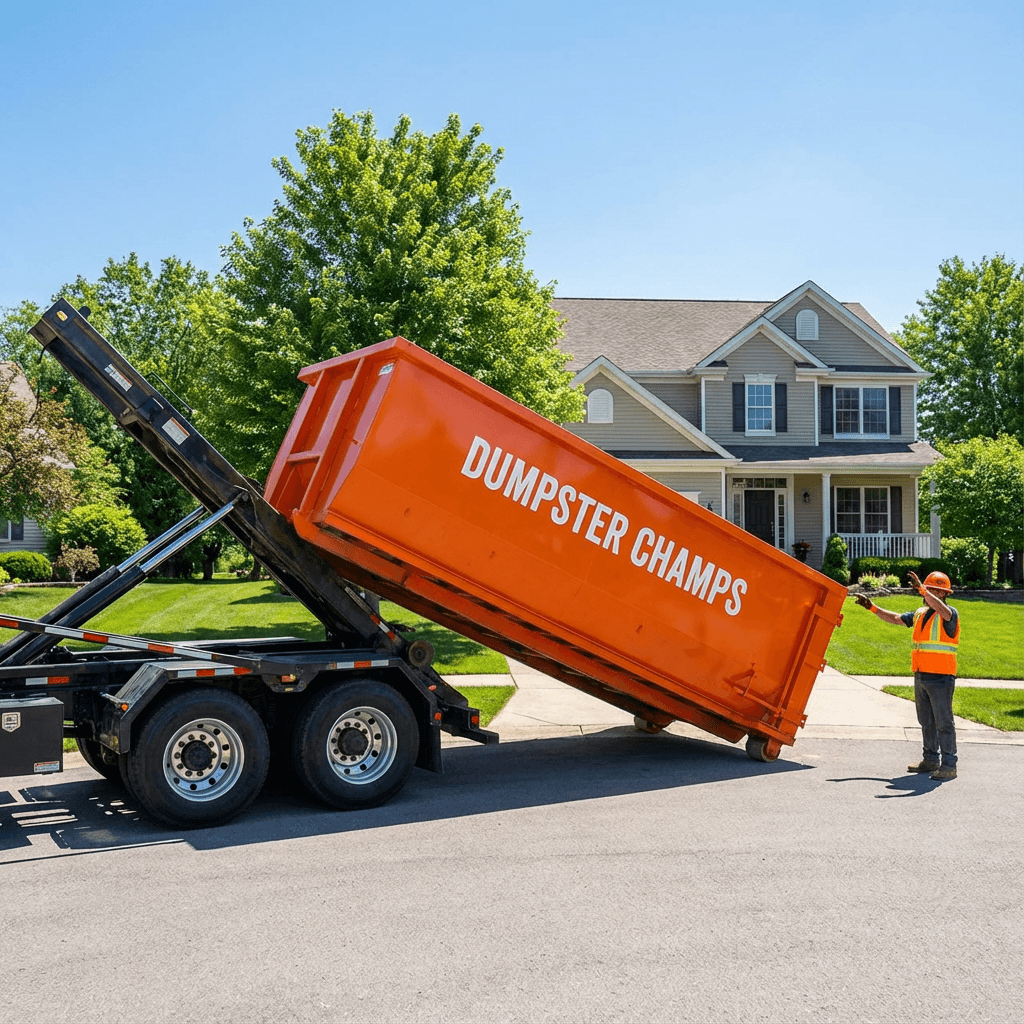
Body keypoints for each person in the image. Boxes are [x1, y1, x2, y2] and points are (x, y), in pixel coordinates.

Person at [855, 571, 960, 781]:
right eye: (930, 590)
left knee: (944, 722)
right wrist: (872, 608)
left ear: (945, 594)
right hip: (921, 675)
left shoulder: (949, 613)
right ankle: (930, 760)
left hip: (941, 677)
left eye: (937, 590)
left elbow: (940, 608)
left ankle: (949, 765)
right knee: (926, 721)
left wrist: (922, 588)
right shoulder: (920, 613)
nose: (932, 594)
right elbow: (895, 618)